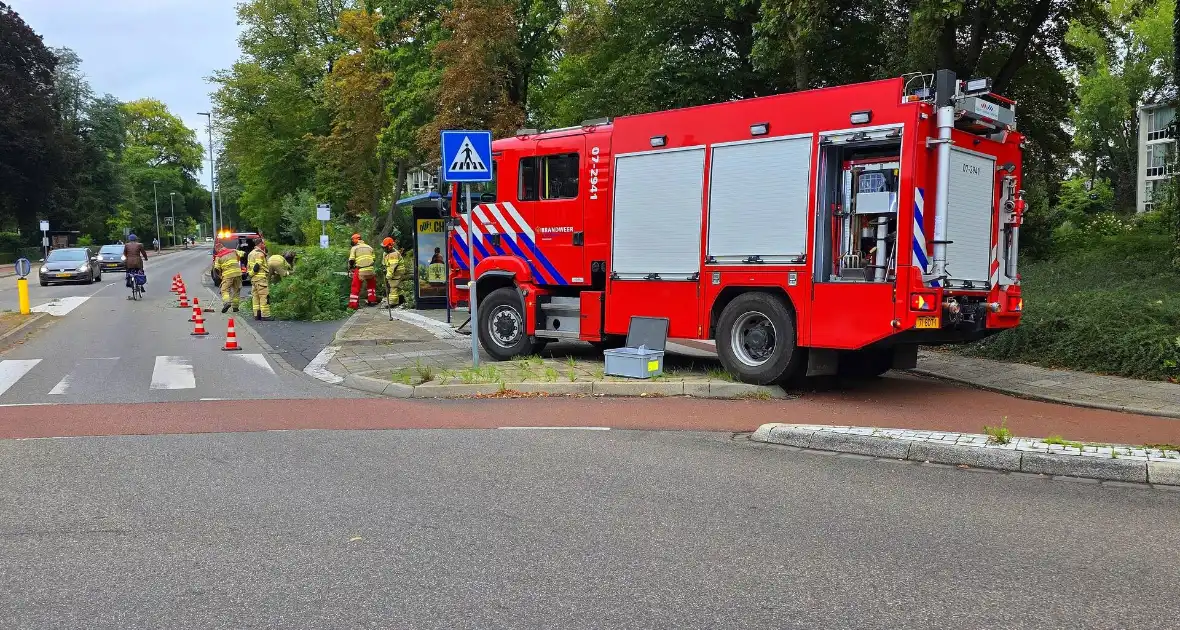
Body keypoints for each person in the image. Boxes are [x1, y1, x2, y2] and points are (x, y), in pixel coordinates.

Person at [347, 233, 378, 308]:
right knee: (371, 286)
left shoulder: (354, 248)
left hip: (360, 270)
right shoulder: (369, 247)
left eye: (352, 240)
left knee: (355, 287)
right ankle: (372, 300)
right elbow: (374, 259)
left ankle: (353, 305)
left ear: (356, 240)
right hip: (370, 270)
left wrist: (351, 268)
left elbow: (351, 260)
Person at [214, 241, 243, 313]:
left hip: (227, 275)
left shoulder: (218, 256)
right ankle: (235, 307)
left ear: (218, 249)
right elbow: (243, 254)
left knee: (224, 290)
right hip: (238, 273)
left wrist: (220, 277)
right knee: (236, 290)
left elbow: (216, 269)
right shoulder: (233, 251)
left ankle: (227, 303)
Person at [247, 238, 272, 321]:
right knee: (264, 297)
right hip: (260, 279)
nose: (264, 245)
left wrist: (250, 275)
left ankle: (256, 315)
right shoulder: (259, 254)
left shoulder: (251, 253)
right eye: (263, 243)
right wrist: (252, 273)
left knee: (255, 297)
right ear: (260, 244)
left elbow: (248, 266)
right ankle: (265, 315)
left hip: (254, 280)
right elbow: (257, 266)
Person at [382, 237, 407, 307]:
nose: (384, 248)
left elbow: (393, 266)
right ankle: (400, 299)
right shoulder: (387, 253)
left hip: (397, 272)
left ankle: (393, 303)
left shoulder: (393, 254)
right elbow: (385, 263)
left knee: (393, 286)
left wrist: (388, 275)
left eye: (385, 247)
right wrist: (384, 268)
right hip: (394, 271)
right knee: (396, 286)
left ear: (390, 246)